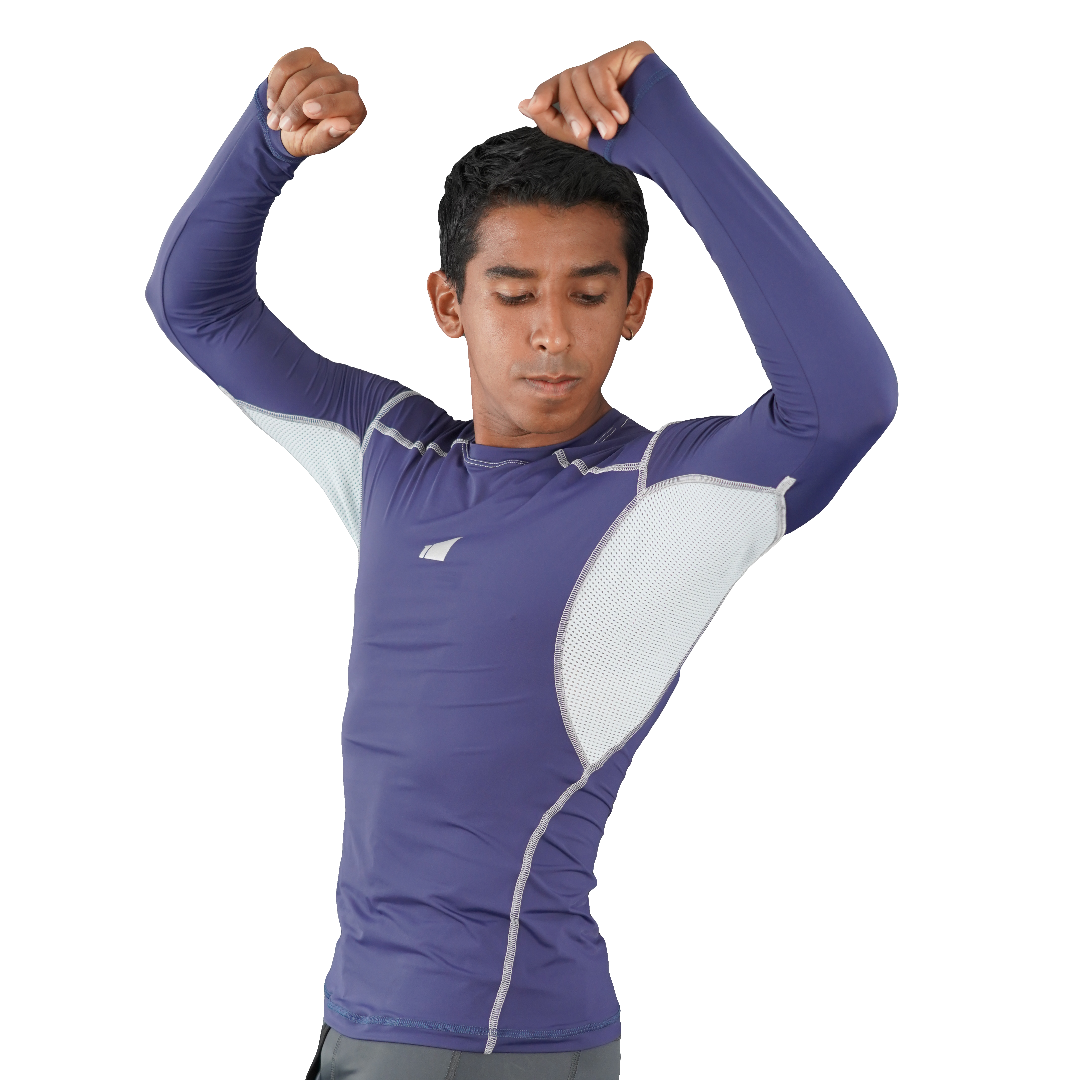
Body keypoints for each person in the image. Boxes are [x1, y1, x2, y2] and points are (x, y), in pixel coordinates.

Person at [146, 40, 897, 1080]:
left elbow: (847, 404)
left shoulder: (661, 496)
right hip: (368, 1020)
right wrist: (265, 143)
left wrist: (666, 131)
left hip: (492, 1045)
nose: (551, 333)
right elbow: (196, 307)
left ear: (635, 307)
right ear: (448, 304)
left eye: (588, 294)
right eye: (513, 292)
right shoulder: (392, 455)